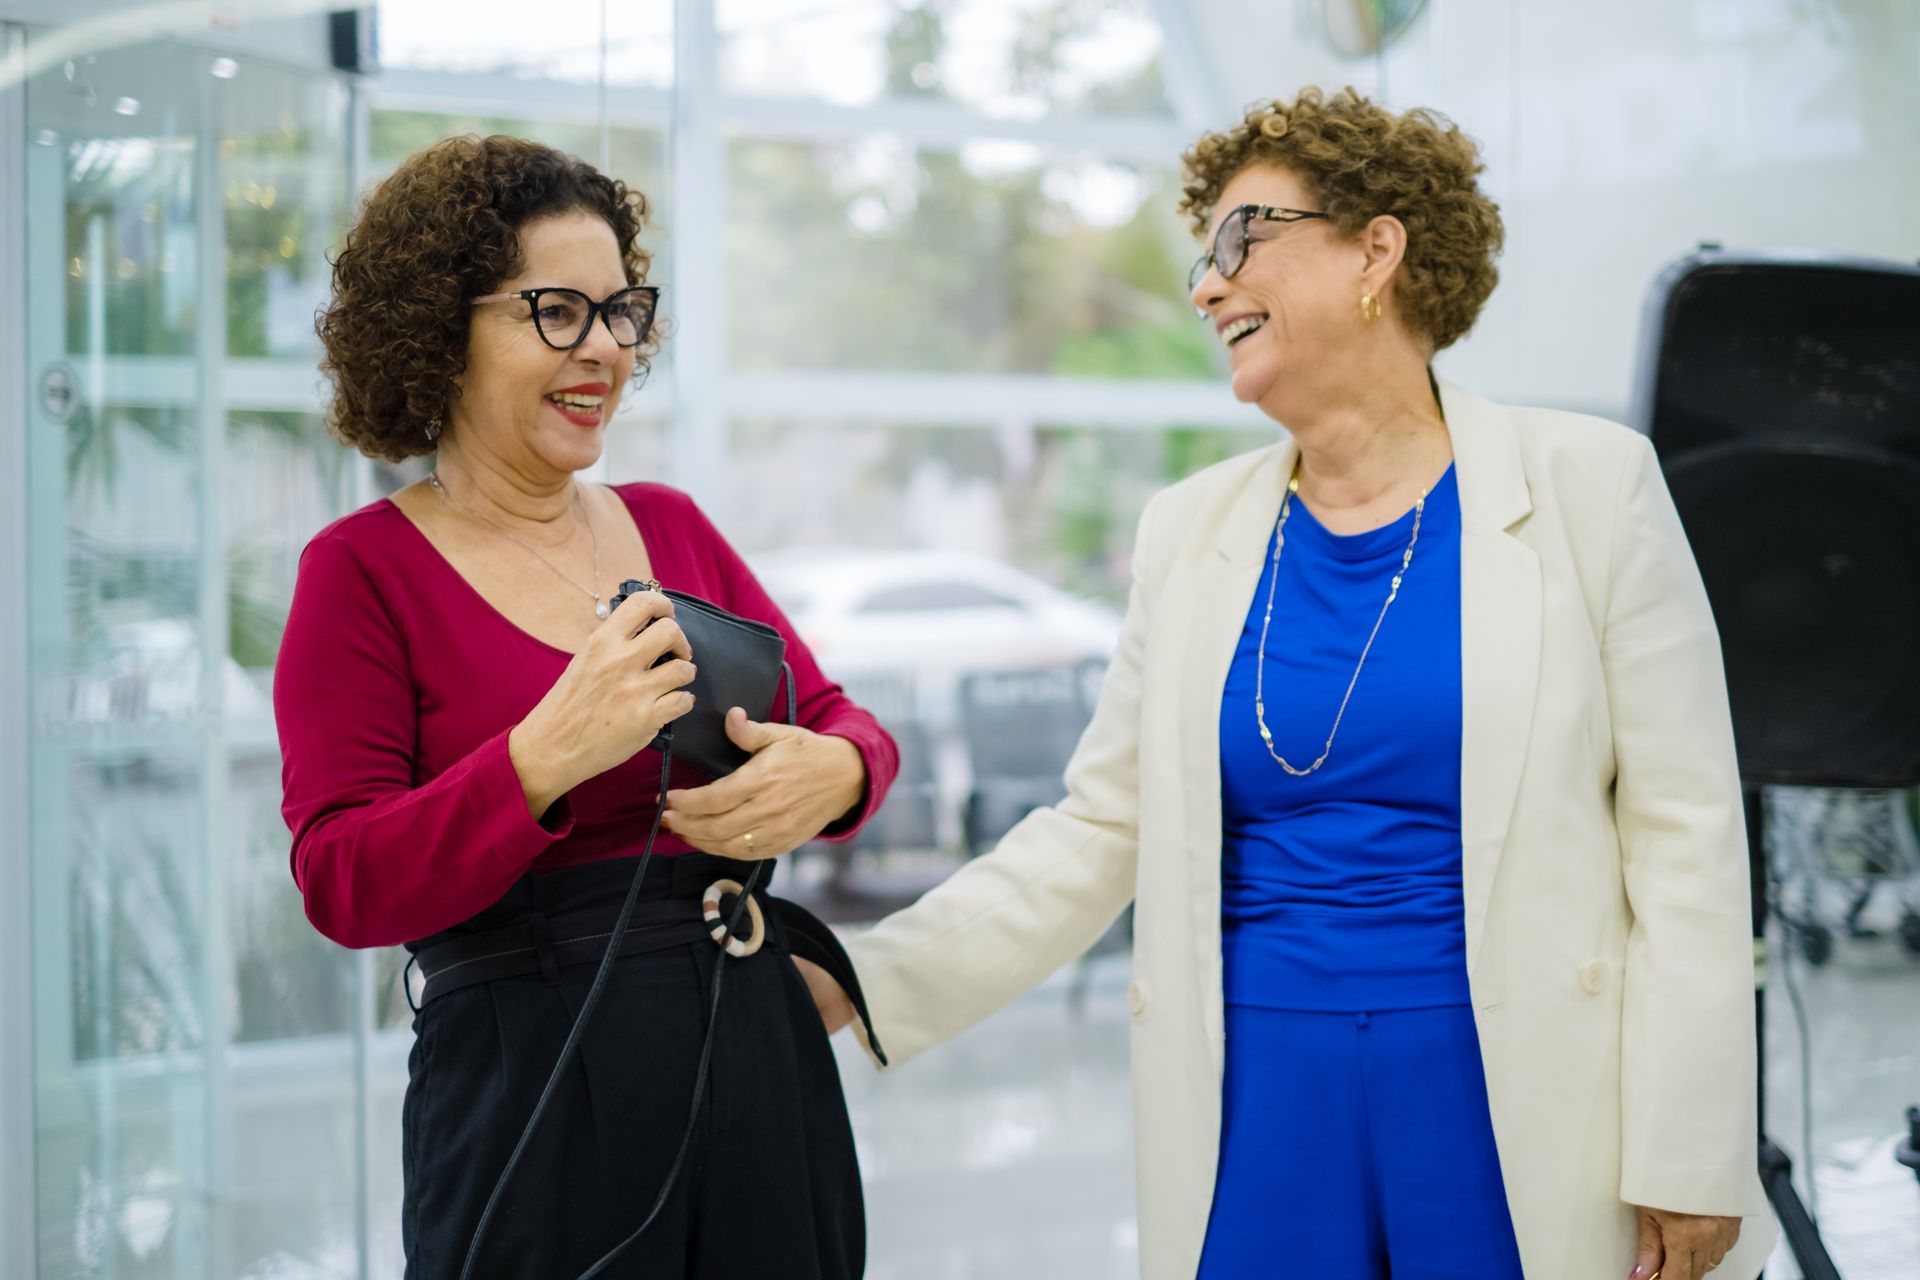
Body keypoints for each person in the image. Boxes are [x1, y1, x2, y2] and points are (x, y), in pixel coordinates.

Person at [825, 88, 1776, 1280]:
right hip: (1257, 1095)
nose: (1206, 285)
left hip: (1516, 1083)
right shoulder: (1190, 530)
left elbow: (1686, 834)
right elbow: (1097, 827)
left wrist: (1692, 1149)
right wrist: (864, 976)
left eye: (1242, 237)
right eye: (1202, 257)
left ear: (1378, 248)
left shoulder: (1592, 486)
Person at [275, 134, 898, 1279]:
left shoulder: (672, 524)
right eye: (556, 311)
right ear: (438, 327)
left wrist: (840, 773)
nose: (604, 348)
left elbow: (850, 722)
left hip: (753, 1055)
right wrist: (536, 761)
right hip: (533, 1088)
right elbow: (340, 877)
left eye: (622, 311)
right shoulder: (361, 570)